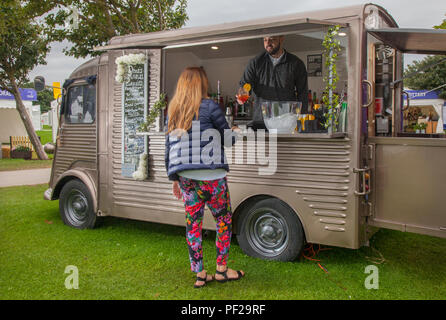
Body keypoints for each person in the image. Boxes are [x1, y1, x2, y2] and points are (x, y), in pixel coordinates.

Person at [164, 67, 245, 288]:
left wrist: (174, 178)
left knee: (193, 225)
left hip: (187, 178)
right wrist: (237, 132)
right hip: (213, 178)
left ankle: (200, 274)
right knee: (223, 220)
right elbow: (228, 140)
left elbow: (169, 147)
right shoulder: (210, 106)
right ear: (202, 84)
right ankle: (221, 270)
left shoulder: (174, 110)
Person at [238, 35, 309, 129]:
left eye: (272, 39)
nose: (268, 43)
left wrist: (301, 122)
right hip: (261, 123)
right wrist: (242, 96)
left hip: (286, 124)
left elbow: (303, 95)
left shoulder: (296, 63)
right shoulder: (255, 63)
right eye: (265, 40)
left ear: (281, 39)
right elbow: (246, 85)